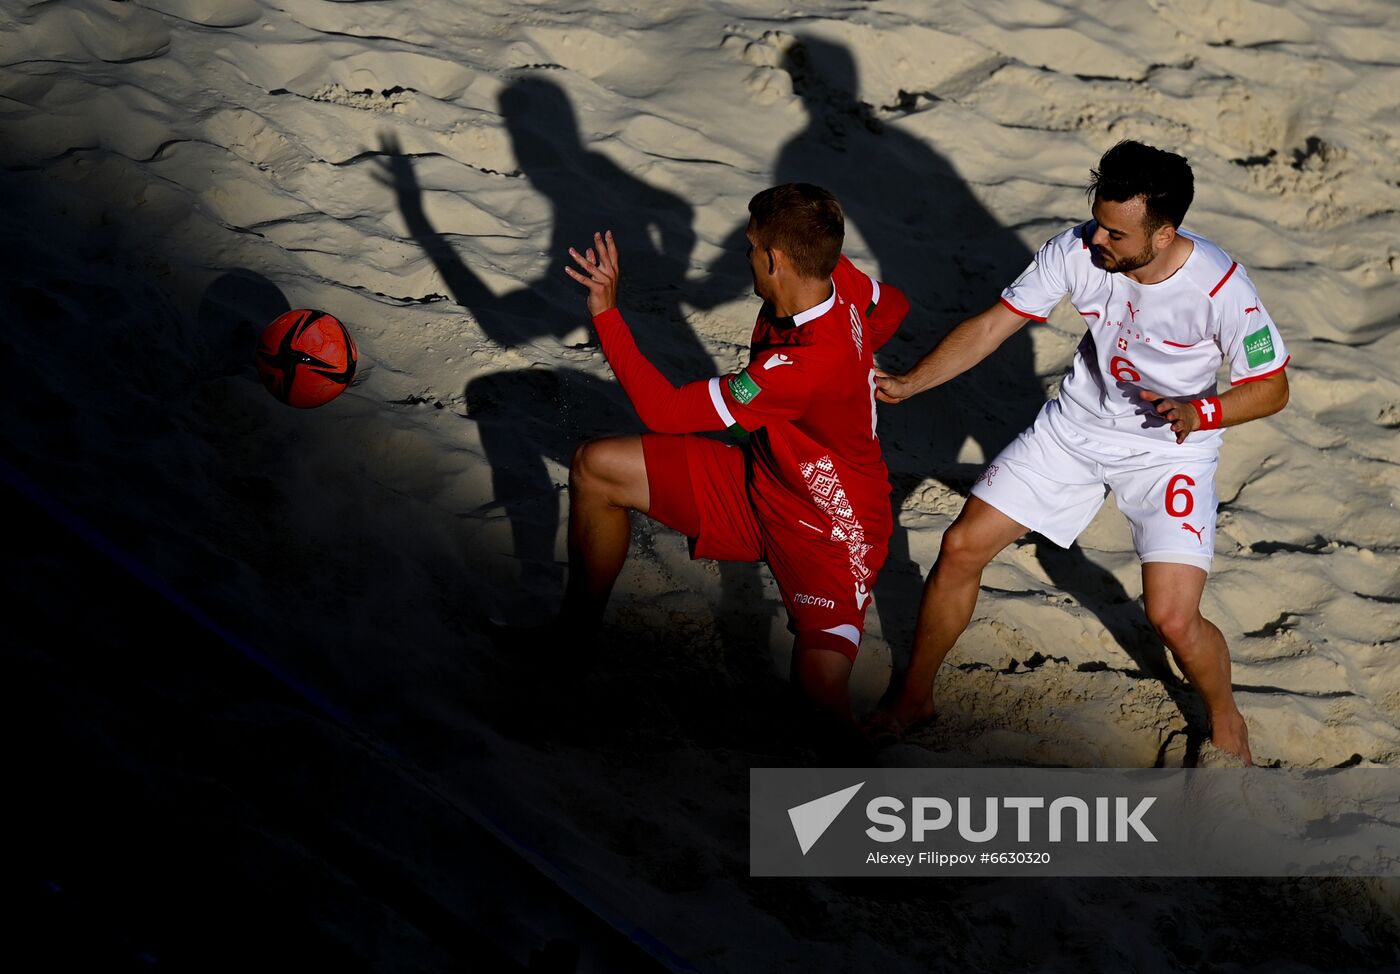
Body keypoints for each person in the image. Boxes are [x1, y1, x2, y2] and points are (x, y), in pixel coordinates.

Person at [873, 141, 1289, 766]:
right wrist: (908, 383)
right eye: (1097, 220)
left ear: (1165, 232)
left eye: (1116, 234)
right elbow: (993, 326)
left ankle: (1226, 717)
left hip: (1171, 451)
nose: (1098, 239)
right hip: (1073, 428)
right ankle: (914, 699)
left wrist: (1202, 411)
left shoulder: (1223, 288)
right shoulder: (1077, 249)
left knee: (1172, 619)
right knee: (960, 548)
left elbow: (1273, 388)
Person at [558, 183, 909, 724]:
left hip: (834, 534)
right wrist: (860, 367)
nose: (744, 256)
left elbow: (667, 413)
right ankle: (571, 648)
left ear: (773, 260)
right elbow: (895, 307)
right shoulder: (837, 277)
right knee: (595, 468)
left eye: (749, 247)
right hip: (761, 482)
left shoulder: (798, 370)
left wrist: (605, 312)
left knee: (819, 709)